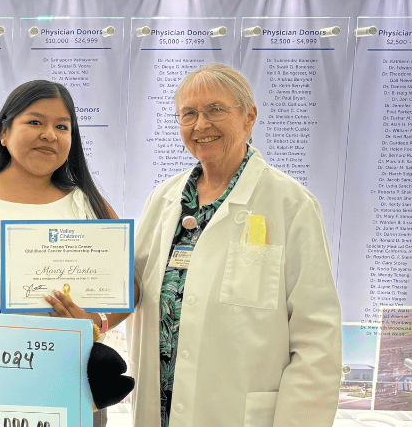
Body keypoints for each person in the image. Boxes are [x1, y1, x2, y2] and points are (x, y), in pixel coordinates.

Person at [128, 63, 341, 427]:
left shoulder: (291, 204)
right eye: (189, 114)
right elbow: (130, 292)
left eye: (215, 110)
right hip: (158, 410)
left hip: (239, 414)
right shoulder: (163, 199)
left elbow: (316, 335)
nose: (201, 125)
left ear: (249, 117)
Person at [0, 80, 127, 424]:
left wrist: (97, 322)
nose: (49, 134)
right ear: (4, 132)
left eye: (62, 126)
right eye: (35, 122)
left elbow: (128, 286)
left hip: (73, 386)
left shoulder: (89, 204)